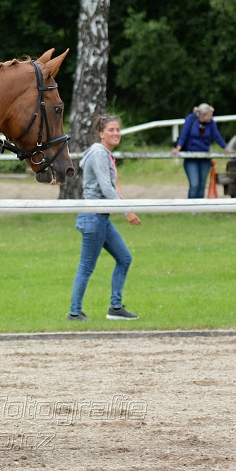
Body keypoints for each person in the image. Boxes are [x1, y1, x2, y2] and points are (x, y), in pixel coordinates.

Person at [68, 115, 140, 322]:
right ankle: (74, 312)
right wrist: (127, 211)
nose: (116, 133)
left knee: (124, 258)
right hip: (93, 217)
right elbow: (106, 188)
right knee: (86, 267)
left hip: (101, 218)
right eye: (111, 130)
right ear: (101, 134)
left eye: (118, 129)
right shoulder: (99, 154)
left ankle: (115, 308)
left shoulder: (102, 153)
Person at [171, 103, 234, 198]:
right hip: (191, 157)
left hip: (205, 157)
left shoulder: (211, 123)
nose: (211, 117)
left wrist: (227, 148)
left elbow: (217, 136)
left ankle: (200, 208)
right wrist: (178, 148)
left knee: (202, 184)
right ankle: (191, 208)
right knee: (194, 184)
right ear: (202, 115)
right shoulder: (190, 119)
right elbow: (184, 135)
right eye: (209, 115)